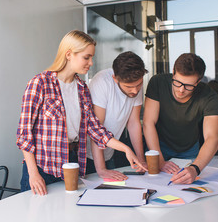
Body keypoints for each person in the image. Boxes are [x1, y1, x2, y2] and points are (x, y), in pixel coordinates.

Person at [16, 30, 145, 195]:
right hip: (42, 168)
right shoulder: (40, 83)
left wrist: (126, 149)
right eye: (87, 57)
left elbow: (96, 130)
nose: (91, 63)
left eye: (92, 57)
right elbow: (24, 134)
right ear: (69, 54)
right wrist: (33, 173)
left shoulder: (82, 89)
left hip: (71, 165)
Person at [143, 53, 218, 184]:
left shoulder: (209, 96)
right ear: (173, 72)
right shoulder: (158, 82)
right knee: (155, 185)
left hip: (189, 150)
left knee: (187, 186)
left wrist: (195, 168)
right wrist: (160, 160)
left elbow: (212, 137)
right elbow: (148, 123)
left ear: (198, 81)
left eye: (189, 86)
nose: (181, 90)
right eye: (177, 83)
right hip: (157, 146)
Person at [86, 51, 148, 181]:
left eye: (139, 85)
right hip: (89, 156)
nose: (135, 91)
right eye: (129, 87)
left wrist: (141, 160)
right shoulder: (101, 82)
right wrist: (101, 169)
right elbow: (96, 129)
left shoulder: (135, 83)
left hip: (110, 152)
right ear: (115, 79)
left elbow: (134, 124)